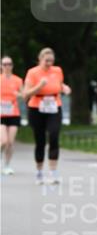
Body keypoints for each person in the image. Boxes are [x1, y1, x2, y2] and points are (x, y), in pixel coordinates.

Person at [22, 48, 71, 185]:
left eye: (51, 61)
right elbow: (26, 94)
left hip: (54, 106)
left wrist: (64, 88)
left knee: (54, 136)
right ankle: (39, 172)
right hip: (36, 108)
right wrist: (39, 86)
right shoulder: (32, 72)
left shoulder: (57, 70)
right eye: (46, 61)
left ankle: (53, 172)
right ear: (40, 59)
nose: (49, 63)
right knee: (40, 140)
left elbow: (59, 84)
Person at [1, 56, 23, 174]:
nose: (7, 66)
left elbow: (24, 95)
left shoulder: (18, 80)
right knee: (3, 141)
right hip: (1, 114)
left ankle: (7, 165)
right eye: (4, 64)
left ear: (12, 66)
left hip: (13, 113)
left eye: (9, 64)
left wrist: (18, 94)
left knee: (10, 142)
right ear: (1, 66)